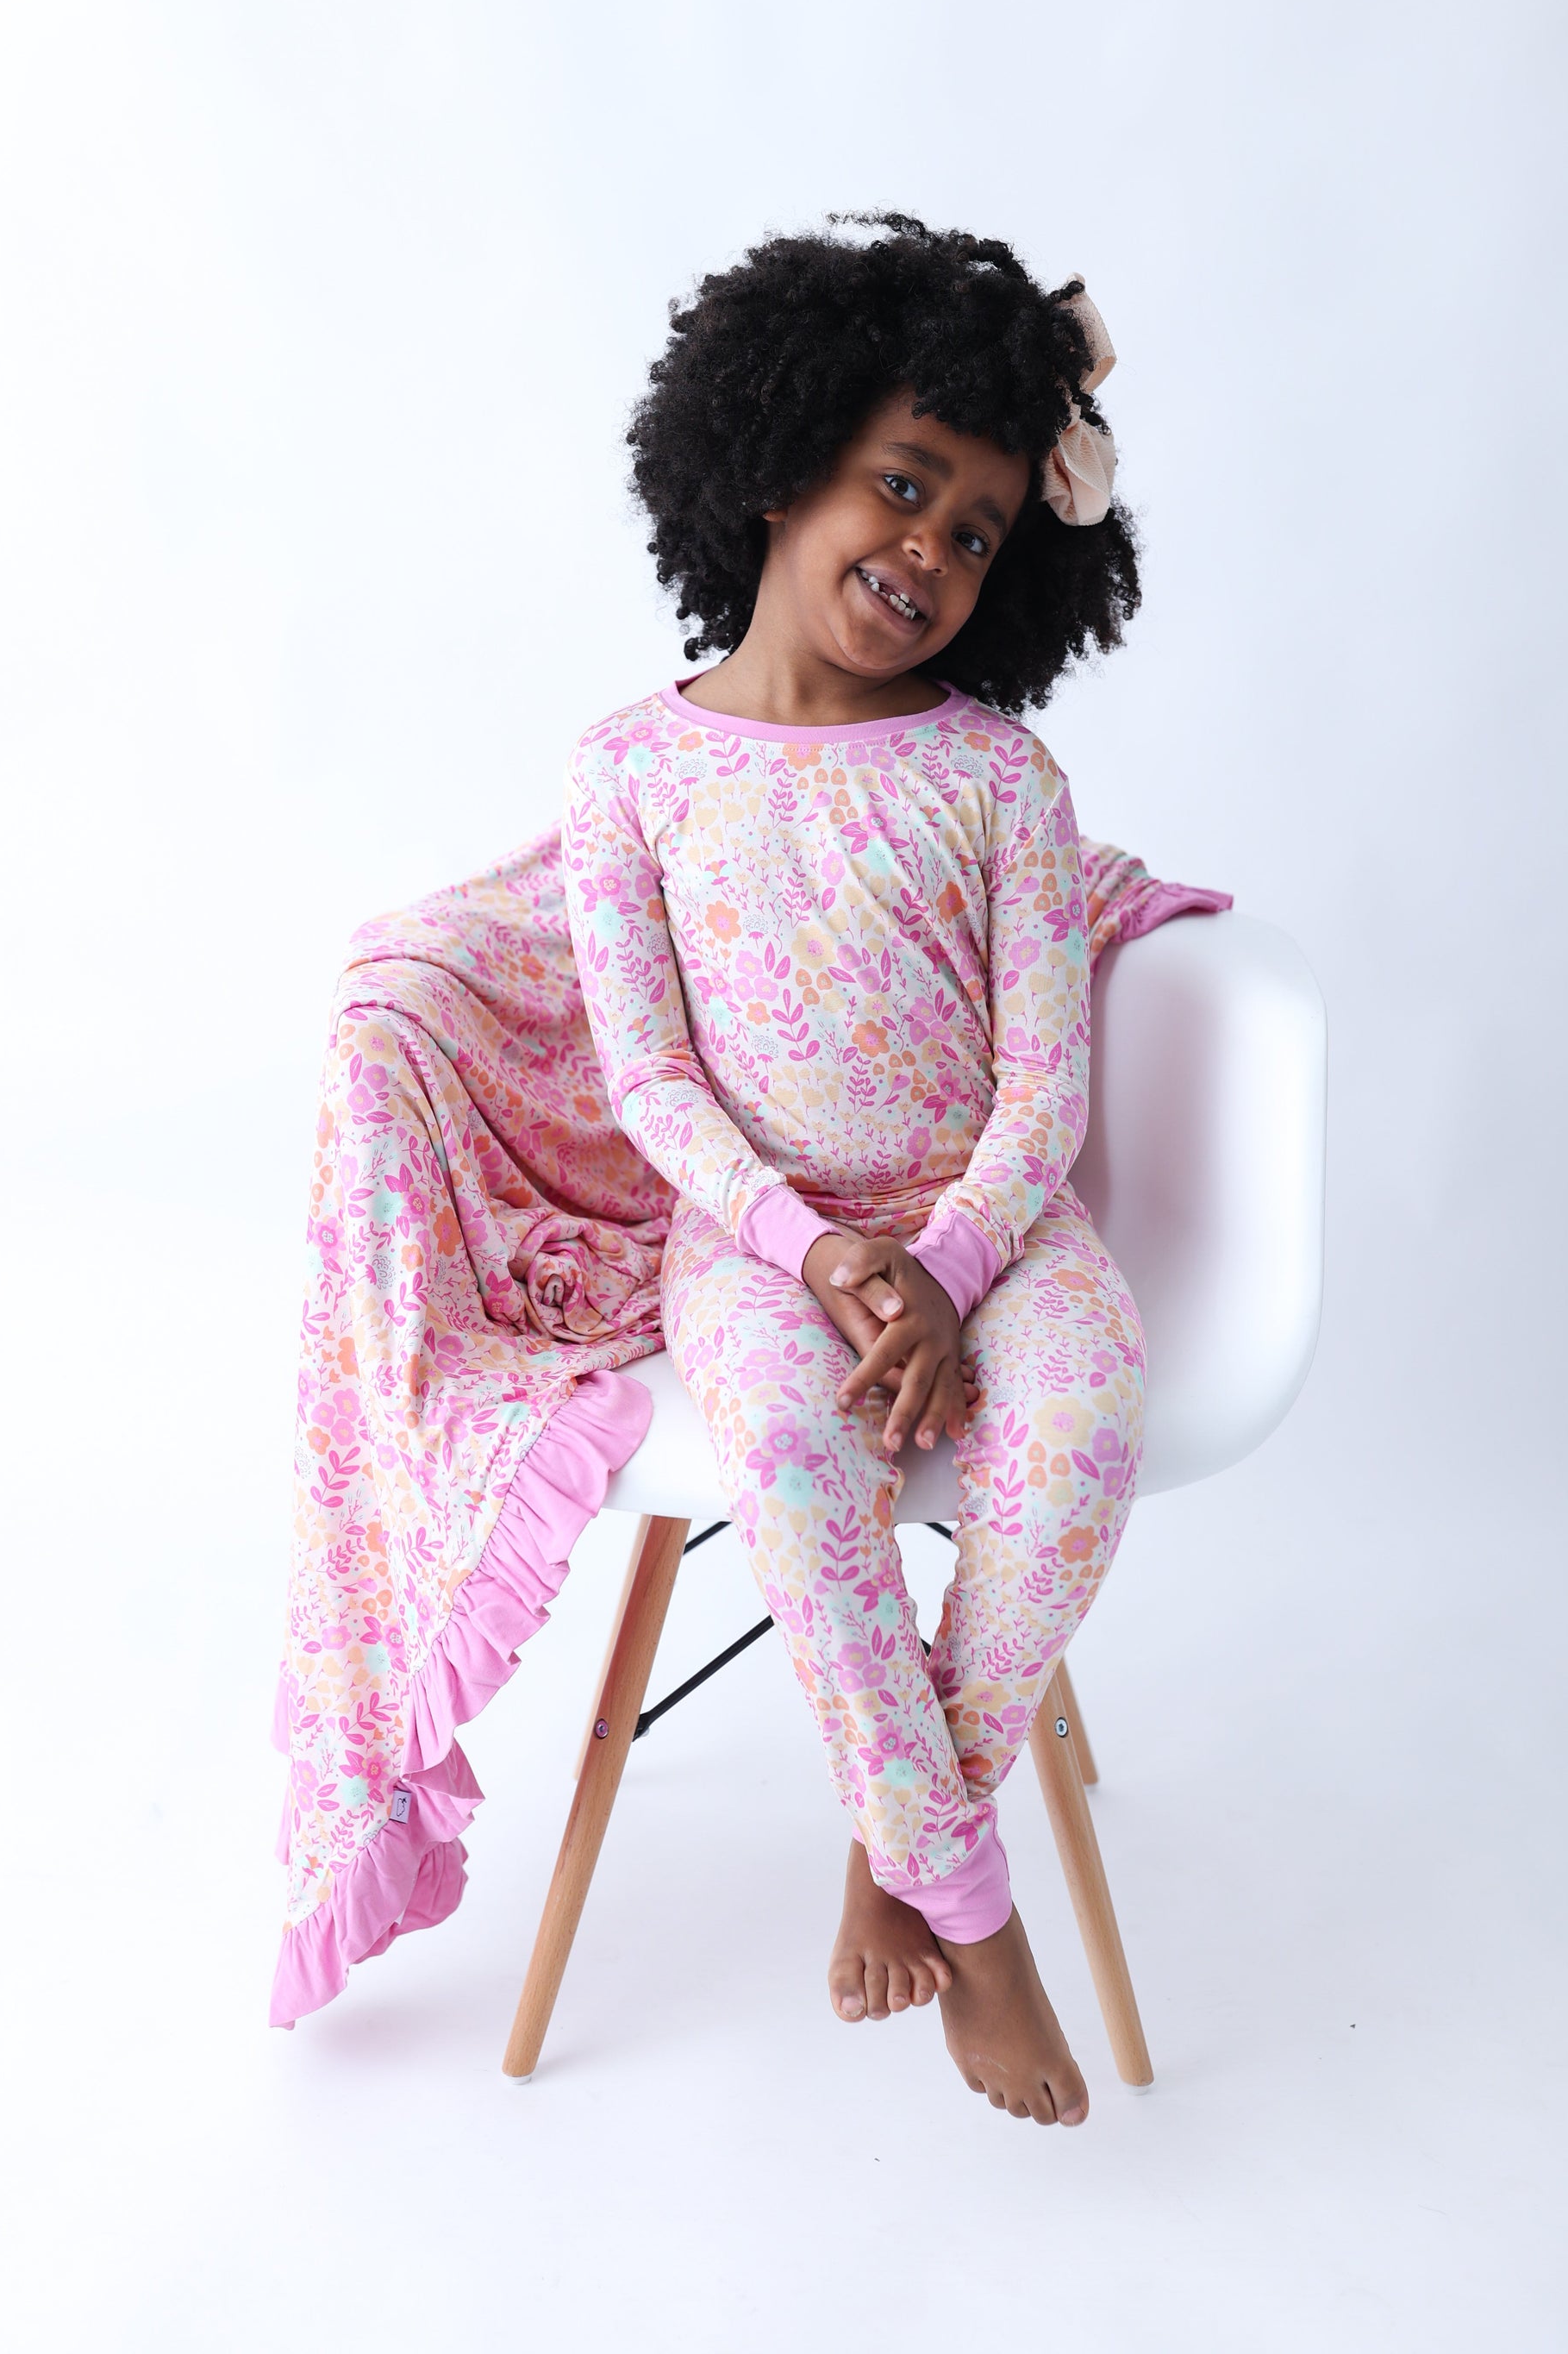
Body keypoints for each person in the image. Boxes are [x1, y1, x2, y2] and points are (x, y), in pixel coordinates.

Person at [563, 215, 1145, 2127]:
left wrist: (951, 1267)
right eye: (904, 485)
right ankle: (975, 1911)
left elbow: (1044, 1086)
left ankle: (898, 1830)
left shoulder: (998, 782)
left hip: (989, 1224)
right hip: (758, 1241)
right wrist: (819, 1254)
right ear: (780, 454)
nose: (929, 552)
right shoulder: (629, 774)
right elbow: (652, 1078)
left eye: (976, 532)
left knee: (1081, 1424)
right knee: (802, 1464)